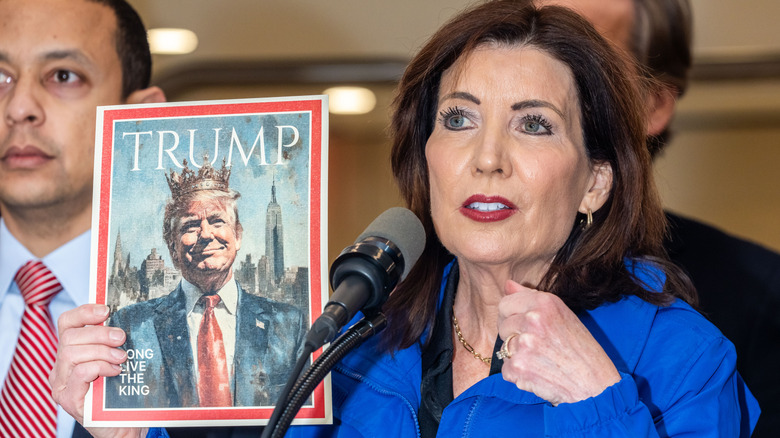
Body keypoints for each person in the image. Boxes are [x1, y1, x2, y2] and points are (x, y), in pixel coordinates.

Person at [51, 1, 760, 437]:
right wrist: (123, 434)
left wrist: (597, 405)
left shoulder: (681, 361)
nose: (487, 158)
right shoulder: (348, 351)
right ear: (427, 160)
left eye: (534, 125)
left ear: (595, 183)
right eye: (459, 120)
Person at [534, 1, 780, 435]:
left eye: (577, 50)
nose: (533, 66)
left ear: (653, 104)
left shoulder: (759, 297)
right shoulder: (408, 287)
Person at [0, 0, 165, 437]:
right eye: (0, 77)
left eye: (63, 76)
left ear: (140, 115)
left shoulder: (187, 327)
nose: (19, 108)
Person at [104, 159, 306, 409]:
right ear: (172, 247)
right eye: (190, 225)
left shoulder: (288, 325)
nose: (207, 234)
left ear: (238, 235)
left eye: (217, 221)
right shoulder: (131, 327)